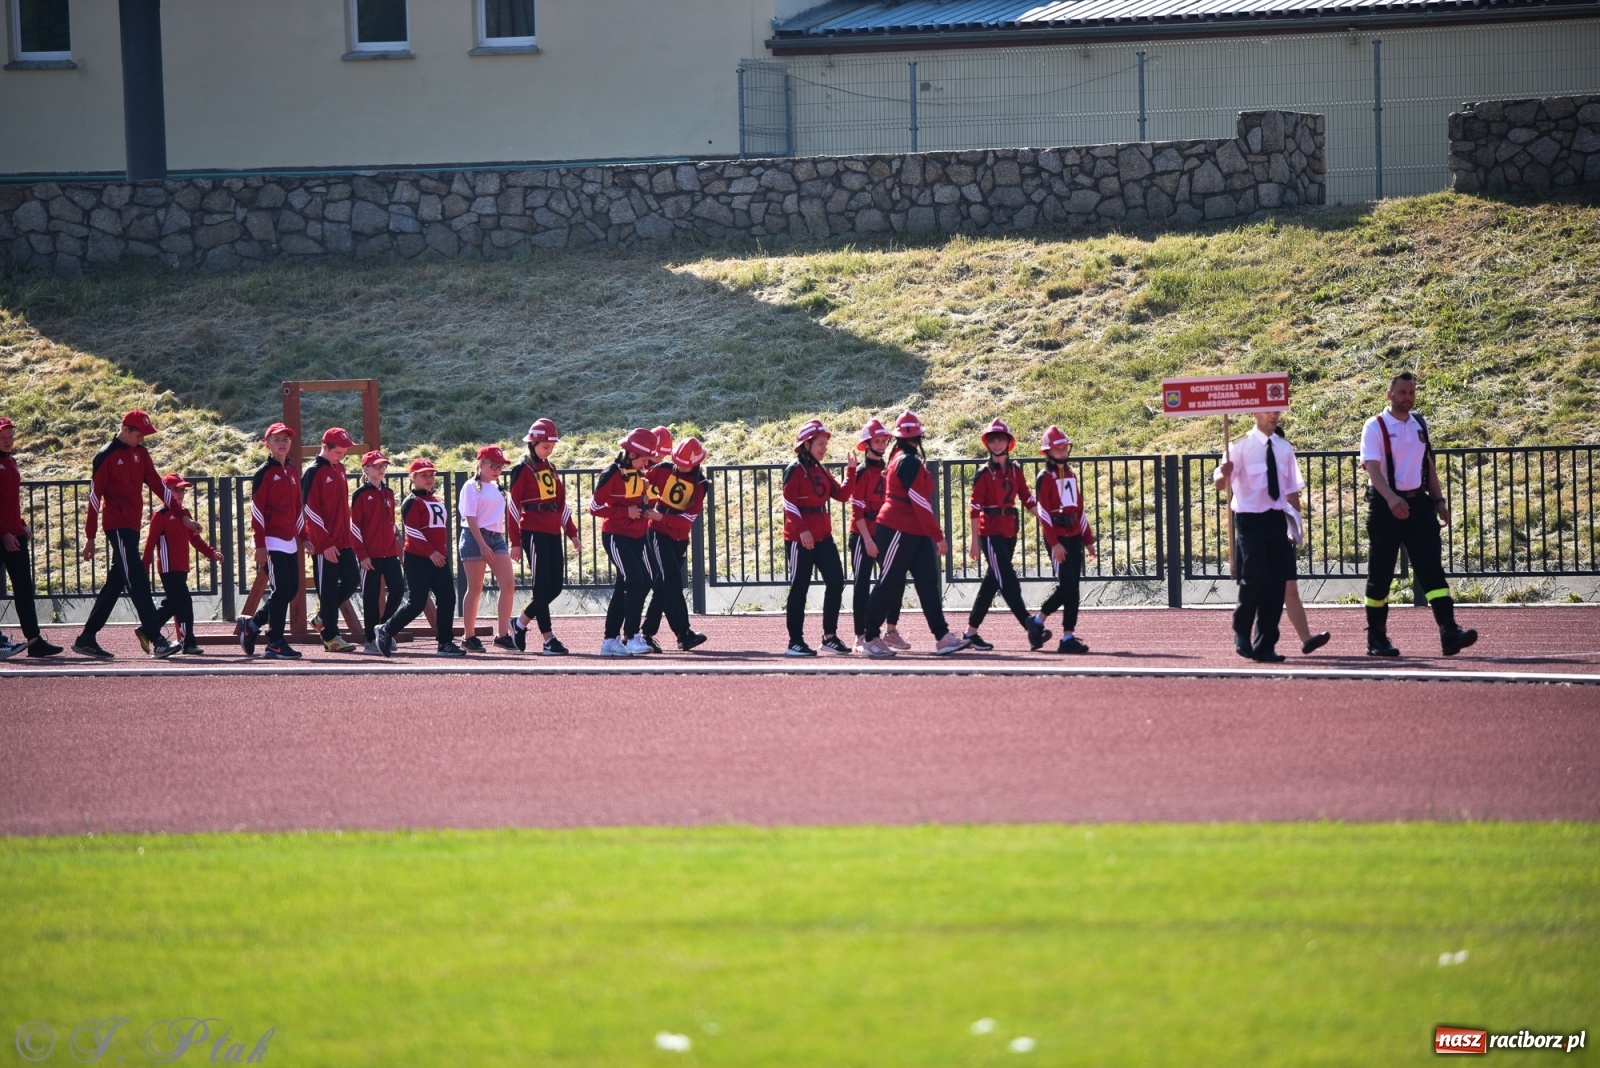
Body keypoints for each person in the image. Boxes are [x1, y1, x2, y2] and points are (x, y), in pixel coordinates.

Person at [1359, 371, 1479, 657]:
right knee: (1381, 574)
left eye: (1411, 392)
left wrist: (1439, 500)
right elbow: (1372, 468)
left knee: (1432, 570)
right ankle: (1376, 638)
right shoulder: (1375, 425)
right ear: (1389, 394)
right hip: (1385, 506)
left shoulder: (1419, 423)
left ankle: (1449, 631)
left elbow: (1428, 465)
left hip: (1419, 506)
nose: (1407, 397)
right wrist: (1391, 499)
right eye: (1402, 392)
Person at [858, 411, 970, 658]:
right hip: (897, 528)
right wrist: (937, 535)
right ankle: (869, 638)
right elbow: (919, 500)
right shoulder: (907, 460)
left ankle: (942, 636)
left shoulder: (902, 457)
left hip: (912, 529)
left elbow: (918, 501)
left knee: (928, 581)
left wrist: (930, 534)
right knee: (889, 581)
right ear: (919, 436)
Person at [75, 410, 183, 660]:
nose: (142, 439)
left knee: (116, 581)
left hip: (132, 526)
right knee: (137, 577)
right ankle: (156, 638)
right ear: (125, 430)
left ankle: (86, 637)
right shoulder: (106, 455)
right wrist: (90, 537)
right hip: (117, 526)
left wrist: (182, 515)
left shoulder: (140, 453)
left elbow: (157, 484)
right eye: (139, 434)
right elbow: (94, 498)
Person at [1215, 409, 1303, 663]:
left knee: (1276, 584)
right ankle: (1241, 629)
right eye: (1267, 411)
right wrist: (1223, 473)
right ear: (1254, 412)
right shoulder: (1239, 447)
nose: (1273, 415)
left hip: (1276, 518)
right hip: (1249, 519)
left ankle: (1265, 644)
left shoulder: (1284, 448)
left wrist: (1295, 526)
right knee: (1255, 576)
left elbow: (1291, 490)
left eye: (1276, 410)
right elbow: (1220, 484)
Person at [963, 418, 1052, 652]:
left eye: (1000, 439)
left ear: (1008, 442)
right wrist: (974, 542)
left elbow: (1027, 498)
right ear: (987, 444)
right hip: (989, 532)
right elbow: (974, 508)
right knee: (1007, 579)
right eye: (992, 440)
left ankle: (970, 633)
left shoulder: (1015, 470)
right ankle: (1029, 624)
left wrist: (1046, 518)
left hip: (1009, 530)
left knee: (992, 582)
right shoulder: (983, 473)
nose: (996, 444)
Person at [505, 418, 583, 656]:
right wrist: (515, 542)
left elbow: (561, 504)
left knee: (555, 586)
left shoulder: (551, 468)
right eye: (545, 446)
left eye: (551, 447)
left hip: (552, 530)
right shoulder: (522, 469)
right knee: (541, 586)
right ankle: (548, 639)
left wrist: (572, 533)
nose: (549, 451)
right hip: (533, 531)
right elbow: (513, 507)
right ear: (533, 443)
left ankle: (519, 624)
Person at [782, 419, 857, 657]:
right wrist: (802, 529)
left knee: (836, 581)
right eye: (820, 444)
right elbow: (788, 503)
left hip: (823, 537)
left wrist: (851, 471)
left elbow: (842, 495)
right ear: (806, 444)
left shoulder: (821, 469)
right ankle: (795, 641)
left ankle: (829, 637)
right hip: (799, 539)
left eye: (825, 443)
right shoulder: (794, 469)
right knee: (800, 588)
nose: (824, 448)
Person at [375, 458, 464, 657]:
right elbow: (412, 531)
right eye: (424, 475)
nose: (429, 478)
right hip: (418, 558)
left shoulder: (436, 500)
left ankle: (445, 643)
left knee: (448, 598)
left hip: (438, 558)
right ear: (413, 477)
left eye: (431, 475)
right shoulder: (411, 501)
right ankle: (386, 630)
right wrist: (431, 552)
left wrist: (439, 552)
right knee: (417, 603)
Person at [238, 422, 305, 660]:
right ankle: (275, 642)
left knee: (291, 589)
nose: (282, 443)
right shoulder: (264, 473)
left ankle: (252, 625)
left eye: (286, 439)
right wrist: (260, 545)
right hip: (271, 540)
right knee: (282, 589)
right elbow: (257, 511)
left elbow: (297, 507)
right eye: (277, 439)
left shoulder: (293, 471)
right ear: (267, 444)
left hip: (289, 540)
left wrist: (305, 538)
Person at [590, 427, 659, 657]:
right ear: (632, 453)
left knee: (632, 584)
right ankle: (630, 636)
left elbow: (636, 501)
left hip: (637, 536)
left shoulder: (639, 472)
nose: (647, 463)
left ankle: (612, 639)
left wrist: (644, 499)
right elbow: (595, 507)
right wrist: (624, 512)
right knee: (635, 581)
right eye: (644, 458)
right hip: (616, 536)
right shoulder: (612, 472)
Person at [1028, 426, 1096, 654]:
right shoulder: (1045, 477)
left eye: (1064, 448)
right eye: (1057, 449)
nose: (1062, 452)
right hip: (1057, 538)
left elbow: (1079, 509)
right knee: (1067, 586)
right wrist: (1054, 543)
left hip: (1074, 536)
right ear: (1048, 452)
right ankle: (1037, 621)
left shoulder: (1071, 475)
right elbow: (1044, 513)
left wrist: (1088, 540)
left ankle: (1067, 636)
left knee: (1073, 588)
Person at [0, 417, 63, 659]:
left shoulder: (11, 461)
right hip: (2, 536)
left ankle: (34, 641)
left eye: (10, 437)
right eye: (2, 437)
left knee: (24, 589)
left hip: (14, 535)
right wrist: (4, 533)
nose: (8, 441)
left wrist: (21, 524)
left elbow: (11, 502)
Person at [139, 473, 223, 655]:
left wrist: (211, 552)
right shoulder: (160, 514)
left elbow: (195, 539)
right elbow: (150, 542)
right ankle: (188, 642)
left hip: (182, 566)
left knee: (173, 605)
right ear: (165, 492)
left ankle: (146, 629)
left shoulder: (185, 514)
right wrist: (145, 567)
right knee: (184, 603)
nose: (180, 494)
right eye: (176, 490)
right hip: (168, 568)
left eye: (182, 490)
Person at [641, 436, 710, 653]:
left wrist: (662, 517)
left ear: (695, 464)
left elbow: (688, 518)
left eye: (684, 464)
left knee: (663, 587)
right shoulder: (663, 470)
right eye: (677, 462)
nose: (679, 467)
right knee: (672, 582)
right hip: (658, 533)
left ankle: (647, 634)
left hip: (679, 538)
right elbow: (638, 479)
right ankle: (684, 632)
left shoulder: (701, 484)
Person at [848, 418, 908, 652]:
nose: (882, 444)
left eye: (884, 441)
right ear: (867, 444)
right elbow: (857, 511)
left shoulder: (889, 468)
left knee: (895, 580)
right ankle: (860, 636)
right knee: (861, 584)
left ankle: (890, 631)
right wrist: (867, 540)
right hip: (863, 536)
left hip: (884, 534)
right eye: (877, 441)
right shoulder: (861, 472)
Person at [1272, 425, 1331, 655]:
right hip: (1257, 533)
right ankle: (1257, 640)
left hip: (1281, 533)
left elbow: (1293, 501)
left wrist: (1295, 530)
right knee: (1262, 592)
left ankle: (1306, 638)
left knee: (1291, 589)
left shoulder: (1286, 467)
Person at [303, 427, 361, 652]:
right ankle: (331, 637)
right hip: (324, 544)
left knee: (352, 579)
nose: (342, 456)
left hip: (343, 540)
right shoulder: (313, 472)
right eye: (338, 452)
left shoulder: (340, 469)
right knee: (327, 591)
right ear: (325, 447)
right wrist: (325, 543)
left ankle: (321, 618)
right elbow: (310, 509)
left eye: (344, 452)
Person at [458, 445, 517, 652]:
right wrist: (482, 545)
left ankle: (502, 635)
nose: (497, 470)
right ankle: (468, 636)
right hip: (475, 537)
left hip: (496, 537)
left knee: (508, 585)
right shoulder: (470, 486)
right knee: (475, 588)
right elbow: (470, 518)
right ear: (481, 463)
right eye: (493, 466)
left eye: (500, 466)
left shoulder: (498, 487)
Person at [350, 450, 405, 656]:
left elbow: (392, 524)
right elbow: (355, 527)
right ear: (366, 469)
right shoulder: (360, 494)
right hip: (370, 556)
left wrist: (397, 548)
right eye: (376, 466)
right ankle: (371, 640)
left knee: (398, 589)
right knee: (371, 598)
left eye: (383, 466)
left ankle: (384, 630)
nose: (381, 469)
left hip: (389, 553)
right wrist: (362, 555)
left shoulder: (388, 493)